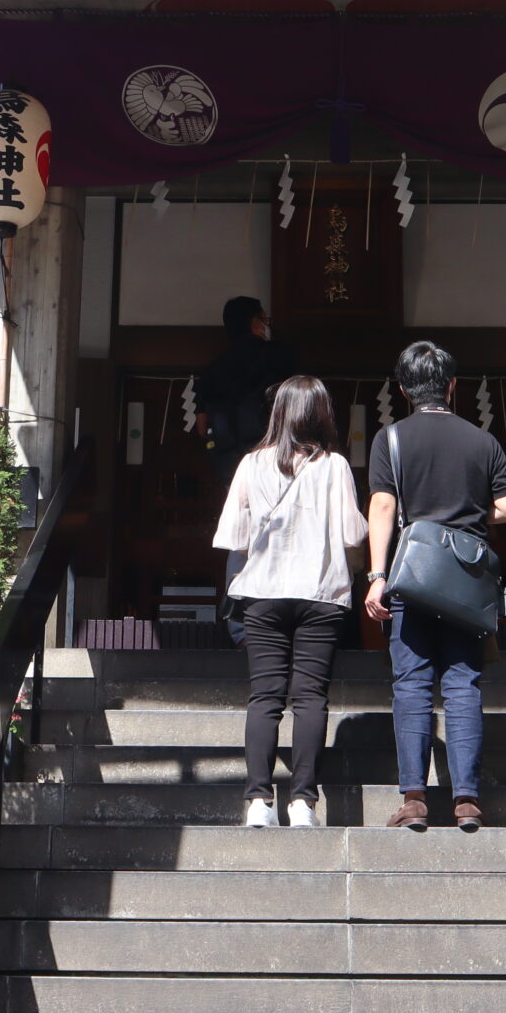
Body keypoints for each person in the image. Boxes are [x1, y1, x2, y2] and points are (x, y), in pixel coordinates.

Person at [364, 341, 506, 831]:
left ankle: (414, 799)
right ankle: (467, 801)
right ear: (453, 386)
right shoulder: (482, 441)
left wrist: (376, 577)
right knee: (462, 684)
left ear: (405, 390)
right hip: (465, 582)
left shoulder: (390, 439)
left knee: (411, 685)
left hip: (412, 580)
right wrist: (471, 516)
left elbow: (384, 508)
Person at [214, 376, 367, 827]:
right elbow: (352, 533)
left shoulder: (252, 463)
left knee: (264, 696)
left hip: (263, 593)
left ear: (278, 412)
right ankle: (303, 801)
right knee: (310, 698)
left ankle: (258, 802)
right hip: (320, 592)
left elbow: (233, 536)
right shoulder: (335, 466)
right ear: (320, 414)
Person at [195, 296, 298, 488]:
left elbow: (202, 427)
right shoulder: (281, 356)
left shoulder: (211, 370)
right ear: (255, 322)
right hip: (274, 463)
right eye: (265, 320)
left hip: (230, 468)